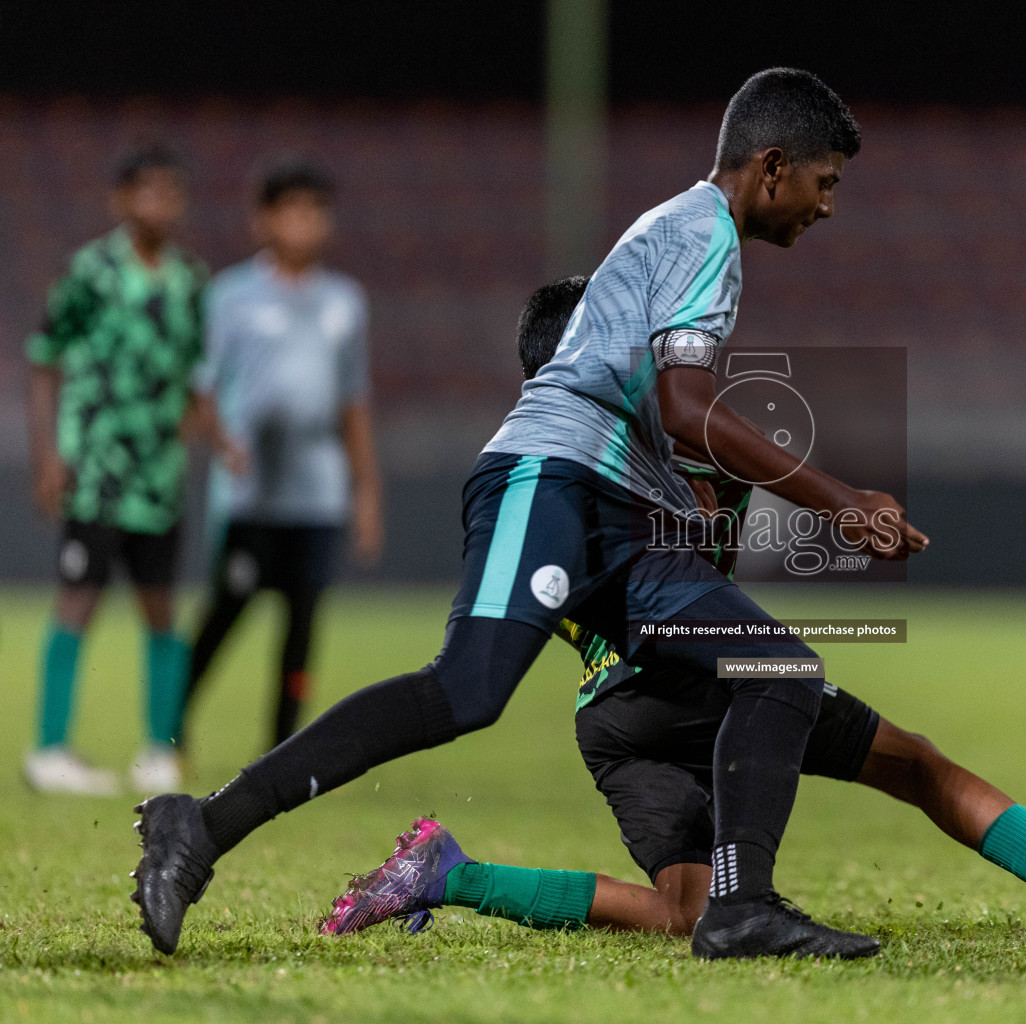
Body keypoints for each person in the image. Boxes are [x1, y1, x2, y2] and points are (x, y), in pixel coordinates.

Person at [132, 68, 927, 961]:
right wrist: (840, 501)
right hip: (548, 477)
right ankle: (199, 826)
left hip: (616, 502)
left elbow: (655, 404)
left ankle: (741, 909)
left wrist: (680, 487)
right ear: (773, 167)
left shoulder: (689, 230)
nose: (828, 207)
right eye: (826, 183)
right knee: (466, 691)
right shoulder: (706, 236)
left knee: (777, 669)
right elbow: (687, 405)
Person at [320, 278, 1026, 946]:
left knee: (684, 909)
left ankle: (454, 874)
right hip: (698, 673)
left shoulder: (537, 478)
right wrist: (834, 500)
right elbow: (720, 493)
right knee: (915, 765)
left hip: (611, 715)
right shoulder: (665, 433)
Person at [24, 143, 211, 797]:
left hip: (158, 478)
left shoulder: (190, 279)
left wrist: (198, 427)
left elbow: (195, 371)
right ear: (122, 200)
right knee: (79, 598)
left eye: (172, 191)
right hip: (96, 470)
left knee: (161, 607)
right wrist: (49, 453)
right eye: (148, 190)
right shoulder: (91, 271)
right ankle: (48, 749)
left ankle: (159, 751)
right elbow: (44, 359)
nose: (161, 203)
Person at [179, 160, 382, 753]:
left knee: (301, 625)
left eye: (315, 211)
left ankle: (282, 752)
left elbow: (355, 404)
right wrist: (223, 442)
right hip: (251, 495)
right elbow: (202, 391)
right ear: (263, 220)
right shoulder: (231, 296)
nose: (304, 223)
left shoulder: (346, 301)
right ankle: (170, 729)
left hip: (317, 493)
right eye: (291, 211)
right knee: (226, 612)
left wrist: (366, 494)